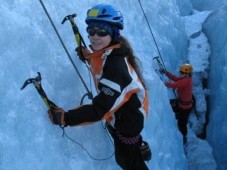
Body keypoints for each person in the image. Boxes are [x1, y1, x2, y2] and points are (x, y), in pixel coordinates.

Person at [48, 3, 149, 170]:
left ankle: (136, 151)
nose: (95, 36)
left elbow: (99, 110)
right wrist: (89, 57)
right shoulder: (110, 52)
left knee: (126, 161)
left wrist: (66, 118)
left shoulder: (116, 68)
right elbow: (102, 62)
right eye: (91, 31)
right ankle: (138, 147)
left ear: (114, 33)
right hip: (125, 110)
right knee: (122, 139)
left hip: (128, 122)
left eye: (102, 31)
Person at [161, 64, 193, 144]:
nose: (180, 73)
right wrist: (166, 72)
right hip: (181, 103)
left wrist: (163, 84)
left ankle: (184, 136)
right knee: (171, 103)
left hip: (185, 107)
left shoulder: (186, 81)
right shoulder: (185, 78)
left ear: (187, 73)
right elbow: (176, 79)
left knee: (182, 123)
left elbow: (175, 85)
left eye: (182, 72)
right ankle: (176, 117)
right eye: (180, 71)